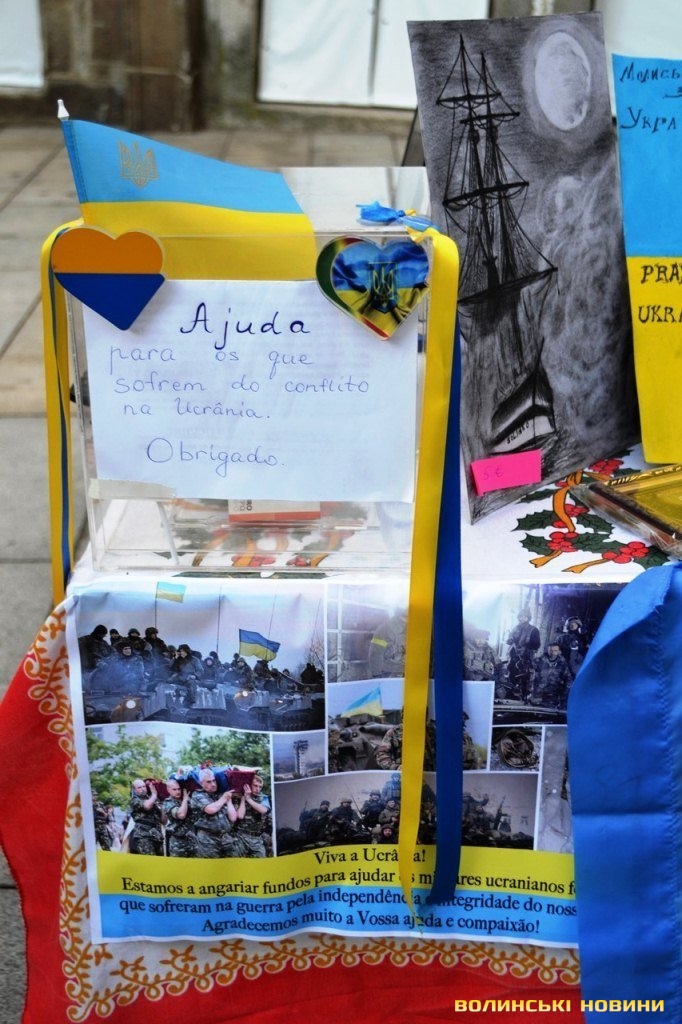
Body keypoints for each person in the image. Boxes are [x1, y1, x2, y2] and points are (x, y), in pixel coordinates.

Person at [190, 768, 237, 857]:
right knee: (210, 864)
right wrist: (224, 798)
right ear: (202, 783)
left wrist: (228, 800)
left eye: (214, 780)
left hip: (225, 839)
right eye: (208, 782)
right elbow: (210, 809)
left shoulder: (220, 794)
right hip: (207, 840)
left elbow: (233, 818)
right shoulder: (197, 795)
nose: (213, 784)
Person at [232, 776, 271, 857]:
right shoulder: (240, 797)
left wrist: (249, 799)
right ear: (249, 785)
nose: (258, 789)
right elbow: (240, 816)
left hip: (256, 838)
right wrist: (244, 798)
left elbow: (263, 810)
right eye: (255, 786)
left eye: (260, 787)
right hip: (241, 836)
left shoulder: (263, 798)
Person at [507, 609, 541, 700]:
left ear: (528, 618)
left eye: (524, 617)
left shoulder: (534, 630)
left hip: (526, 658)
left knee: (526, 677)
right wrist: (510, 640)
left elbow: (536, 645)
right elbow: (510, 640)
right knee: (512, 674)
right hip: (514, 657)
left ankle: (524, 697)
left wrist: (526, 646)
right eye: (520, 616)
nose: (522, 618)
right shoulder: (515, 628)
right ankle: (512, 695)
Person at [128, 778, 164, 855]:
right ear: (134, 790)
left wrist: (163, 806)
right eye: (139, 787)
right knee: (149, 860)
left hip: (157, 836)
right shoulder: (134, 800)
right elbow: (147, 806)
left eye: (144, 786)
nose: (143, 789)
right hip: (143, 836)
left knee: (160, 861)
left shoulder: (154, 799)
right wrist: (154, 795)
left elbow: (164, 821)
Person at [162, 778, 197, 858]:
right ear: (168, 790)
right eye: (174, 789)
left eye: (179, 789)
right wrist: (185, 800)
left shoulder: (185, 800)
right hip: (178, 842)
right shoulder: (168, 802)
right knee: (179, 865)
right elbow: (181, 815)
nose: (178, 791)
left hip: (192, 839)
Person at [368, 608, 407, 678]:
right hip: (391, 673)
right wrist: (377, 675)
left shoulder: (418, 627)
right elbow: (376, 652)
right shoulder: (385, 629)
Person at [532, 643, 572, 709]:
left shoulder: (562, 663)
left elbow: (568, 680)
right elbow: (531, 676)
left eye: (555, 651)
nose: (553, 653)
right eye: (551, 650)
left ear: (559, 651)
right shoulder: (538, 661)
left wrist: (564, 696)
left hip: (553, 697)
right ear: (547, 650)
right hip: (537, 695)